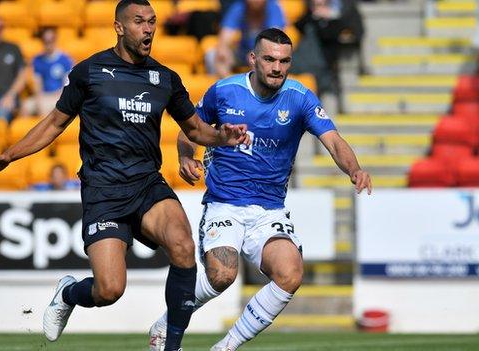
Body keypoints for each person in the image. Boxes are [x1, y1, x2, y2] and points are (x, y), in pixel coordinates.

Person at [0, 1, 250, 351]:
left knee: (183, 245)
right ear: (118, 27)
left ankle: (169, 345)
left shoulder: (165, 79)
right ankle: (69, 292)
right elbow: (54, 124)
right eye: (139, 22)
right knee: (109, 290)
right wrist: (9, 156)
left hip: (147, 183)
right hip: (103, 190)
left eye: (152, 22)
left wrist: (222, 136)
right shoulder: (90, 72)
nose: (148, 29)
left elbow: (195, 129)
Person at [149, 28, 371, 351]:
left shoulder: (300, 97)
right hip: (224, 203)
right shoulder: (224, 92)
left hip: (269, 210)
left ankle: (226, 347)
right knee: (221, 276)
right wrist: (186, 156)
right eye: (269, 59)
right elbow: (190, 130)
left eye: (284, 61)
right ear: (253, 59)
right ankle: (167, 323)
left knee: (290, 272)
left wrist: (355, 169)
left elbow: (333, 141)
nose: (277, 68)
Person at [206, 0, 285, 77]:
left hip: (264, 52)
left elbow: (275, 38)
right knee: (213, 55)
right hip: (242, 52)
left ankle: (261, 88)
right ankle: (227, 86)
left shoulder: (273, 7)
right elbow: (225, 36)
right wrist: (223, 49)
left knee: (260, 58)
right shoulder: (239, 7)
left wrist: (257, 52)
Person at [21, 27, 74, 116]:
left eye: (51, 40)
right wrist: (40, 98)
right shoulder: (37, 60)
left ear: (55, 40)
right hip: (43, 96)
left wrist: (51, 97)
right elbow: (37, 84)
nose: (48, 43)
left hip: (59, 97)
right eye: (45, 40)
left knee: (46, 107)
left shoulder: (65, 60)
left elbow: (66, 86)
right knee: (25, 106)